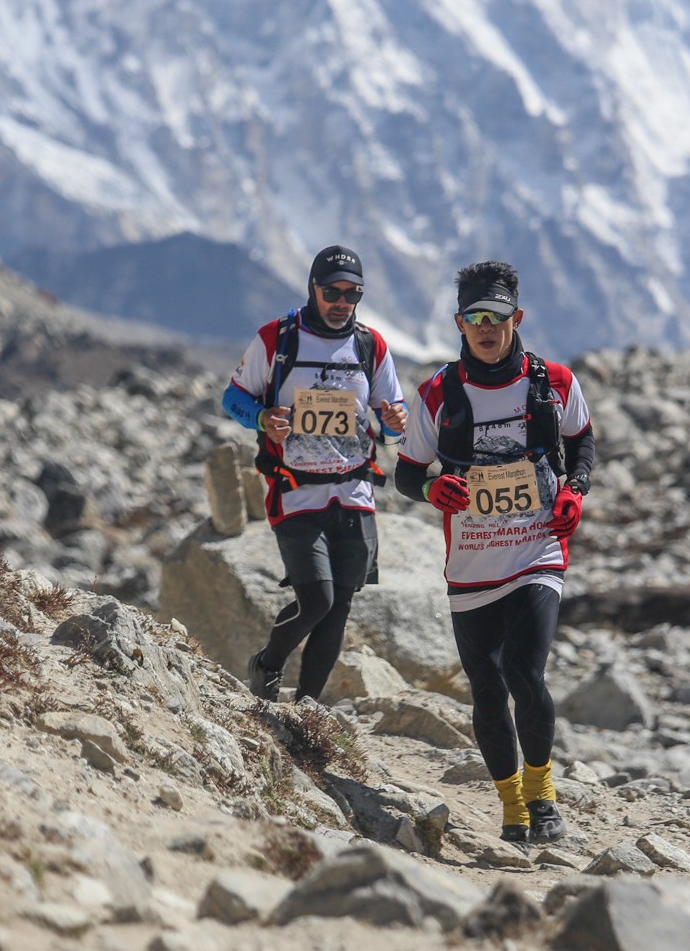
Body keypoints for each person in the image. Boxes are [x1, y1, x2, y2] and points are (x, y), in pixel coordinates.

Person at [394, 260, 595, 845]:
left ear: (517, 317)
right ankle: (510, 806)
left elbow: (581, 442)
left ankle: (542, 793)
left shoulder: (553, 381)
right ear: (459, 322)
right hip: (472, 563)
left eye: (497, 316)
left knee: (525, 673)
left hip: (536, 550)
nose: (486, 327)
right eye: (475, 317)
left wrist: (575, 493)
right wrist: (433, 488)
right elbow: (406, 474)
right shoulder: (439, 392)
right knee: (485, 687)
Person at [221, 245, 408, 702]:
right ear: (313, 289)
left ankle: (305, 707)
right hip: (295, 492)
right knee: (317, 601)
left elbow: (390, 415)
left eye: (353, 292)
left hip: (354, 493)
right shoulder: (276, 339)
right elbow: (233, 398)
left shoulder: (371, 344)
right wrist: (263, 418)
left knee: (339, 608)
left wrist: (393, 422)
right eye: (332, 291)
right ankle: (266, 664)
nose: (342, 300)